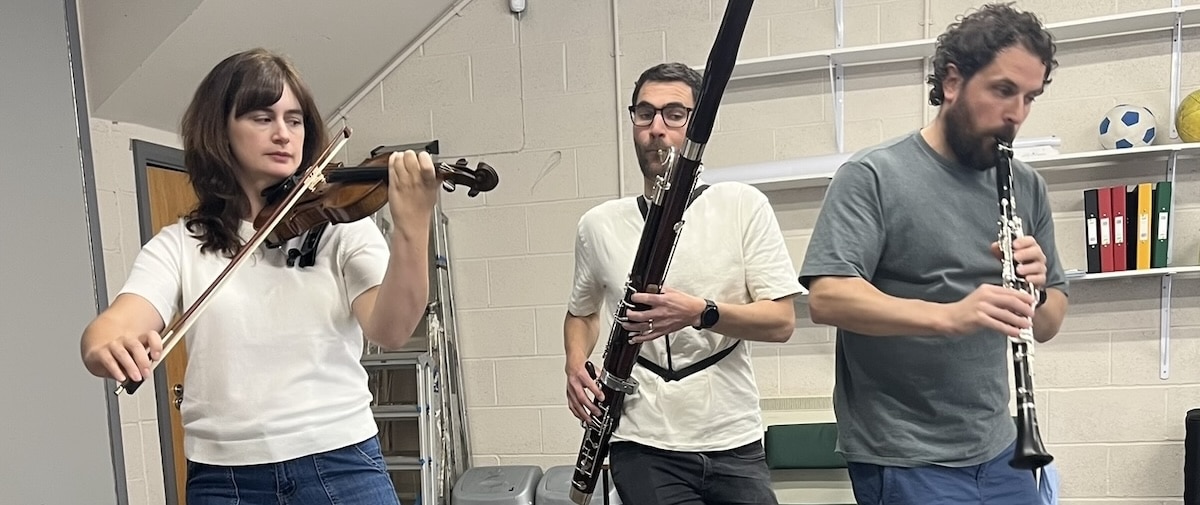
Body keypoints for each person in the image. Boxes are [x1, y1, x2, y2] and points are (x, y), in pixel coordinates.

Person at [79, 48, 440, 504]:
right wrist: (107, 345)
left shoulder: (340, 227)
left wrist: (413, 227)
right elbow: (113, 325)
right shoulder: (180, 244)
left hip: (340, 464)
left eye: (294, 120)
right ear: (220, 130)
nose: (283, 134)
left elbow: (391, 329)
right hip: (225, 479)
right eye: (261, 117)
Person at [798, 3, 1069, 504]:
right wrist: (949, 316)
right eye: (1003, 90)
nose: (1017, 114)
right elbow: (828, 299)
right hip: (904, 455)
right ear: (951, 81)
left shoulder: (1026, 186)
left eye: (1030, 98)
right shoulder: (874, 175)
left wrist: (1037, 289)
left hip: (1001, 448)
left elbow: (1049, 323)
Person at [563, 62, 803, 505]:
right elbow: (581, 312)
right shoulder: (597, 225)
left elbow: (781, 321)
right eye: (645, 113)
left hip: (733, 436)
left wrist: (700, 313)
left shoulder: (742, 205)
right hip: (642, 440)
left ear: (697, 125)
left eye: (674, 114)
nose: (657, 128)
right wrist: (575, 361)